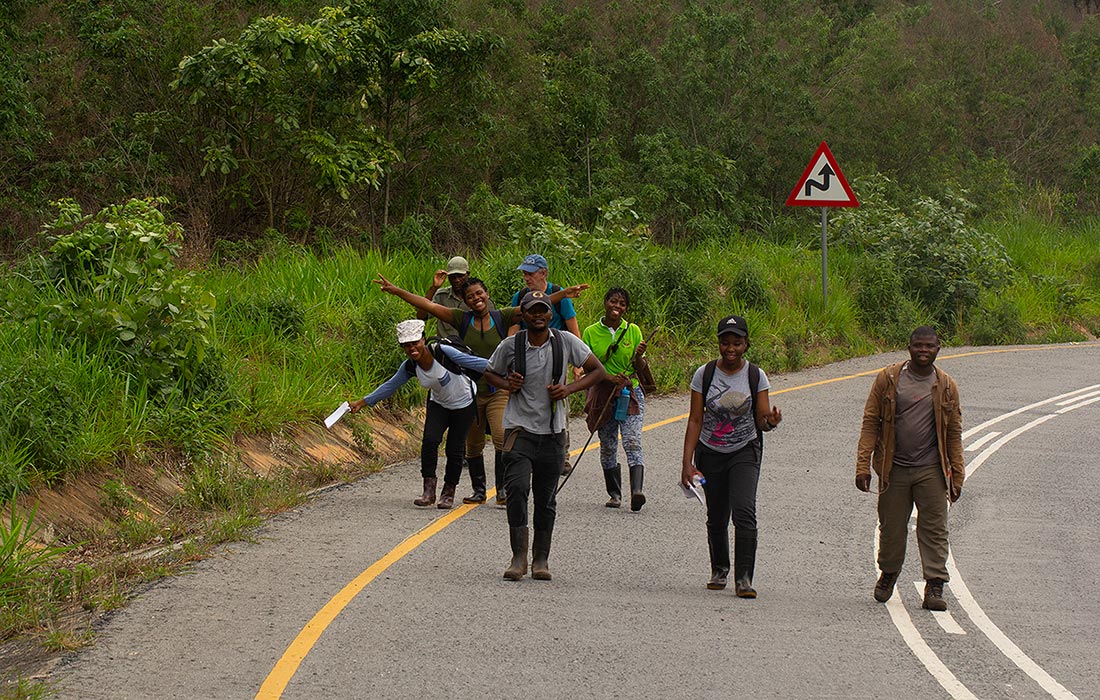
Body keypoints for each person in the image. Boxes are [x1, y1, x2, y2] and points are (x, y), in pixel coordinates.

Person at [373, 274, 588, 505]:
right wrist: (396, 291)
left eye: (479, 293)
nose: (476, 299)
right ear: (465, 302)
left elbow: (531, 307)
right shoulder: (461, 319)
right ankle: (479, 490)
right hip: (471, 392)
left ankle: (503, 489)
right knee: (473, 445)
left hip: (499, 389)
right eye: (470, 296)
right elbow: (429, 305)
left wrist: (563, 295)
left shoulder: (501, 316)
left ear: (487, 295)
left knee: (500, 436)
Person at [484, 290, 607, 581]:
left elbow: (597, 371)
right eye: (532, 311)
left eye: (543, 311)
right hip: (519, 430)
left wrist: (568, 389)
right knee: (516, 491)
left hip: (553, 432)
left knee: (546, 497)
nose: (538, 316)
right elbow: (489, 373)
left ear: (550, 315)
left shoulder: (564, 342)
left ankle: (541, 559)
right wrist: (506, 384)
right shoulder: (511, 345)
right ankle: (518, 557)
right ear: (523, 315)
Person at [856, 325, 963, 611]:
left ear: (939, 349)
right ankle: (888, 574)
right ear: (909, 347)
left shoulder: (947, 386)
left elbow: (953, 432)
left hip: (932, 469)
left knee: (935, 529)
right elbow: (870, 423)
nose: (923, 351)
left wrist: (958, 474)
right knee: (891, 527)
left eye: (929, 346)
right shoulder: (888, 379)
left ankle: (935, 585)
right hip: (895, 468)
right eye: (918, 346)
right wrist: (863, 465)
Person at [681, 315, 782, 598]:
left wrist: (771, 421)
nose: (731, 348)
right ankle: (720, 569)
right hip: (710, 451)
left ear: (746, 344)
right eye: (725, 342)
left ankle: (744, 578)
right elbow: (694, 421)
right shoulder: (704, 375)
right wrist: (687, 463)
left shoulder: (755, 376)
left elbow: (762, 420)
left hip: (744, 450)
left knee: (744, 511)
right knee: (716, 514)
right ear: (719, 344)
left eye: (737, 343)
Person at [349, 319, 487, 509]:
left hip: (464, 403)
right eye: (406, 345)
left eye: (415, 343)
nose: (412, 348)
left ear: (423, 339)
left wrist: (508, 369)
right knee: (430, 441)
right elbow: (390, 386)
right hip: (439, 404)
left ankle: (448, 492)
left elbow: (475, 363)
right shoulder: (410, 366)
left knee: (454, 449)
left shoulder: (441, 351)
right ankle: (428, 490)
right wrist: (362, 403)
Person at [581, 287, 648, 510]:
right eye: (613, 301)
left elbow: (640, 367)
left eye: (621, 303)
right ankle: (614, 494)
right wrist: (608, 377)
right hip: (603, 394)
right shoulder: (591, 332)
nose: (617, 307)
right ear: (605, 302)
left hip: (630, 392)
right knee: (608, 445)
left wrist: (638, 356)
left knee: (632, 440)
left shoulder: (633, 331)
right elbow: (586, 365)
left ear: (626, 308)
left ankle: (637, 491)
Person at [415, 255, 495, 339]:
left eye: (460, 276)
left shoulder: (478, 297)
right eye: (453, 277)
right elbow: (421, 316)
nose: (456, 280)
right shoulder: (441, 296)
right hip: (446, 346)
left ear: (468, 274)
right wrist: (434, 288)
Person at [507, 254, 581, 337]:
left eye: (530, 274)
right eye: (524, 274)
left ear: (543, 274)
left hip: (556, 344)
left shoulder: (560, 294)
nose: (526, 278)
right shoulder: (520, 297)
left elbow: (573, 330)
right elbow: (513, 330)